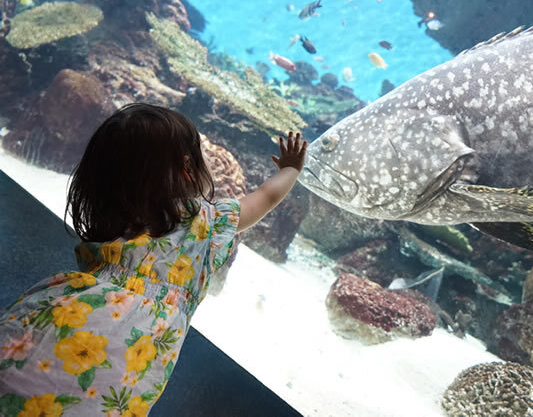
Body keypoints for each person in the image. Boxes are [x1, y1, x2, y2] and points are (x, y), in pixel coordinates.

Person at [0, 103, 307, 416]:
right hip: (128, 351)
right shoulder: (202, 225)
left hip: (67, 311)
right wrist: (290, 169)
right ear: (189, 168)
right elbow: (265, 197)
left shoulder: (116, 211)